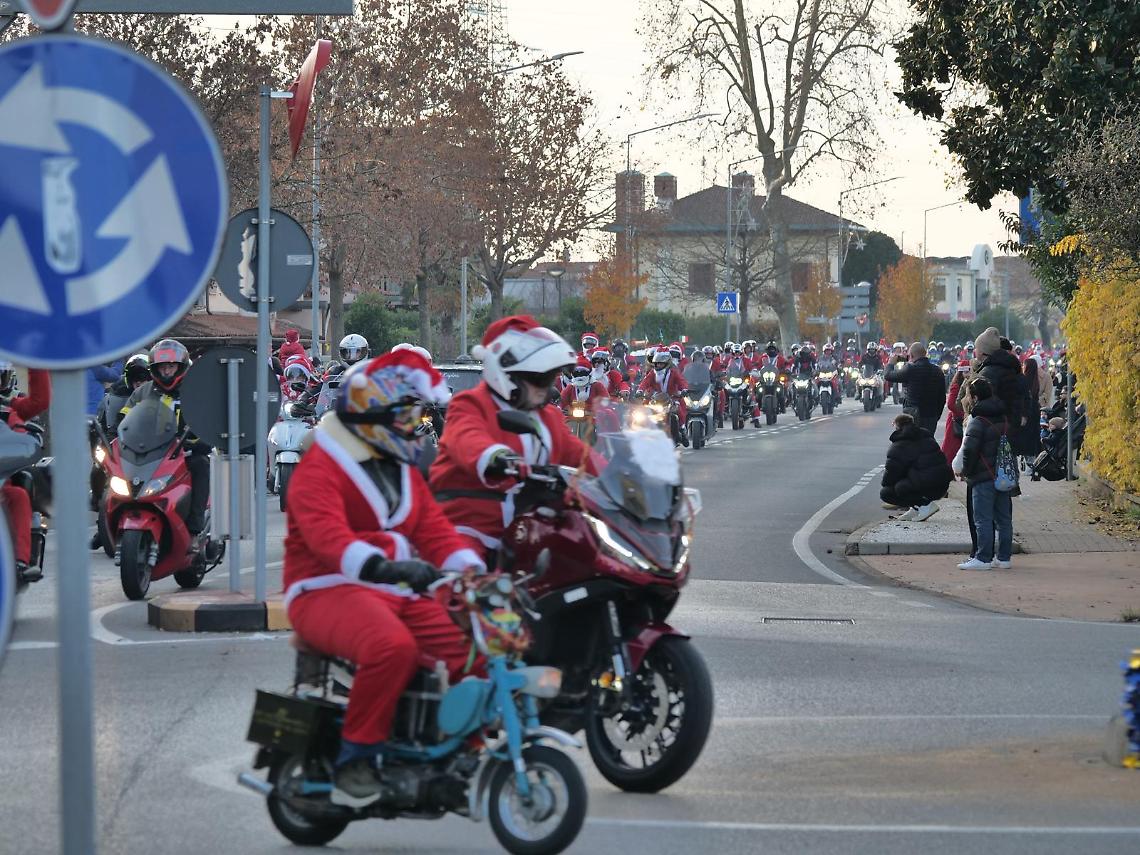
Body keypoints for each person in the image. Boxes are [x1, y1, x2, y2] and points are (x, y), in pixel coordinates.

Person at [283, 349, 484, 807]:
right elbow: (326, 536)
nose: (415, 425)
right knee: (392, 648)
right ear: (376, 415)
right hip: (323, 589)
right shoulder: (320, 467)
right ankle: (357, 755)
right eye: (406, 415)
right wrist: (384, 567)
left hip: (390, 588)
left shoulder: (399, 467)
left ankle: (457, 747)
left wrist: (474, 573)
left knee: (472, 646)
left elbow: (433, 528)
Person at [429, 316, 598, 557]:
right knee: (466, 572)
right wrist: (496, 457)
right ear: (506, 373)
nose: (545, 387)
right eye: (538, 378)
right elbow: (466, 439)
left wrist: (624, 483)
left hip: (532, 530)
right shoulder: (470, 404)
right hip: (473, 529)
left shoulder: (548, 417)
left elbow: (580, 457)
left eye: (549, 378)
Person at [120, 339, 211, 535]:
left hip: (185, 449)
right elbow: (126, 417)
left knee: (201, 464)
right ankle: (106, 523)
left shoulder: (196, 390)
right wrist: (114, 435)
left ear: (180, 367)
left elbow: (208, 420)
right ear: (154, 368)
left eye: (170, 367)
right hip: (149, 448)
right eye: (162, 367)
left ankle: (195, 523)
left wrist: (202, 441)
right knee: (116, 471)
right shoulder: (143, 391)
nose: (167, 372)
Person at [0, 363, 51, 582]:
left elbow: (40, 401)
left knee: (20, 495)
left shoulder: (14, 405)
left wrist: (35, 362)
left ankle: (20, 563)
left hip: (4, 481)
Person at [958, 377, 1014, 570]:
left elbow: (969, 450)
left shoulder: (978, 420)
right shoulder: (1003, 416)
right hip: (1002, 475)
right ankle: (1004, 558)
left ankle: (983, 558)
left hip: (983, 476)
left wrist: (966, 471)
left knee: (982, 519)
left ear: (974, 397)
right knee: (1004, 519)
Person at [880, 413, 953, 521]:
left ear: (896, 426)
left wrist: (887, 484)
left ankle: (925, 506)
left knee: (887, 492)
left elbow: (891, 473)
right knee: (911, 475)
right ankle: (915, 509)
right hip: (943, 485)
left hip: (927, 487)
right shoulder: (926, 435)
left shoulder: (899, 445)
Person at [884, 343, 946, 435]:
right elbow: (942, 398)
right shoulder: (938, 371)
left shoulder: (910, 368)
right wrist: (936, 415)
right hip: (931, 415)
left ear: (911, 355)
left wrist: (890, 364)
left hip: (912, 415)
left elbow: (888, 375)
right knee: (927, 443)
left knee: (911, 444)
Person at [639, 348, 690, 445]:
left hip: (672, 397)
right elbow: (645, 382)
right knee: (644, 412)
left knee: (678, 410)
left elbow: (681, 381)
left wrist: (684, 389)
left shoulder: (674, 372)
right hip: (656, 399)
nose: (658, 365)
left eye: (661, 363)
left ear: (667, 363)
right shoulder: (652, 373)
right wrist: (639, 390)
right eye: (657, 363)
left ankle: (683, 430)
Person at [940, 357, 970, 468]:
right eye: (965, 372)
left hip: (964, 419)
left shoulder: (969, 383)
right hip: (956, 420)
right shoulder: (956, 385)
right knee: (951, 448)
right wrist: (963, 414)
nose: (967, 374)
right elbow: (951, 404)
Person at [1014, 357, 1043, 462]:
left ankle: (1028, 462)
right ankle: (1032, 460)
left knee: (1025, 436)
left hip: (1026, 411)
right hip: (1035, 410)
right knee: (1033, 435)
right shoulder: (1036, 380)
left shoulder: (1023, 380)